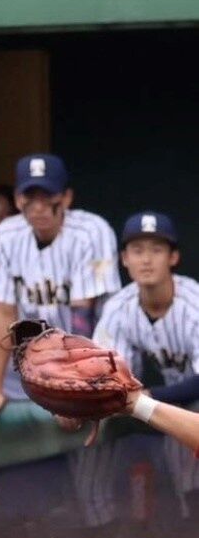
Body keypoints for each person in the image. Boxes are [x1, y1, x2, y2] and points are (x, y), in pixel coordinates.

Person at [0, 154, 120, 431]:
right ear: (18, 200)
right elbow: (4, 312)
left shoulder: (90, 232)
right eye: (30, 196)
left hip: (96, 362)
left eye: (47, 196)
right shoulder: (7, 235)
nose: (38, 206)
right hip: (35, 368)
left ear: (66, 198)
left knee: (90, 465)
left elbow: (83, 317)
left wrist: (76, 392)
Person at [82, 213, 199, 519]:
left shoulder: (194, 304)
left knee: (189, 475)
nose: (146, 259)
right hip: (167, 403)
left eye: (156, 249)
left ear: (174, 257)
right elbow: (104, 376)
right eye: (137, 250)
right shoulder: (118, 308)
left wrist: (148, 396)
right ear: (124, 259)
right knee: (98, 421)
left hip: (190, 401)